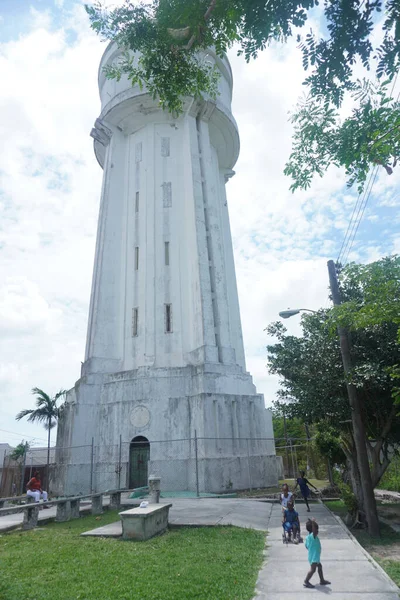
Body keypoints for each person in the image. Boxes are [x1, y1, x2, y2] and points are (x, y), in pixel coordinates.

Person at [303, 519, 331, 589]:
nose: (317, 531)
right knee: (313, 570)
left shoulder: (308, 537)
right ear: (313, 530)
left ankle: (322, 580)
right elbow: (314, 531)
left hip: (314, 556)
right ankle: (306, 581)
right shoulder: (313, 536)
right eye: (316, 530)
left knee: (320, 566)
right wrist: (313, 522)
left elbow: (306, 546)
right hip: (314, 557)